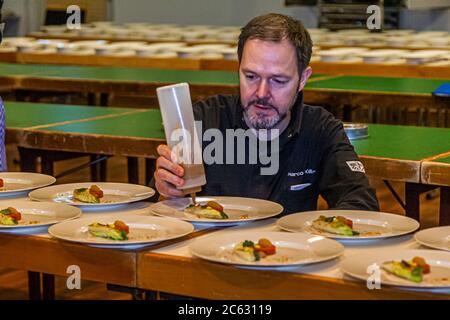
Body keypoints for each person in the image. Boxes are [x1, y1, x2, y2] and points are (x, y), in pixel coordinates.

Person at [153, 13, 379, 214]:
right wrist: (168, 190)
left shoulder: (320, 129)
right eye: (251, 77)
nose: (261, 93)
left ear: (302, 79)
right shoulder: (202, 120)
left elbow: (362, 205)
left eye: (278, 80)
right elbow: (160, 203)